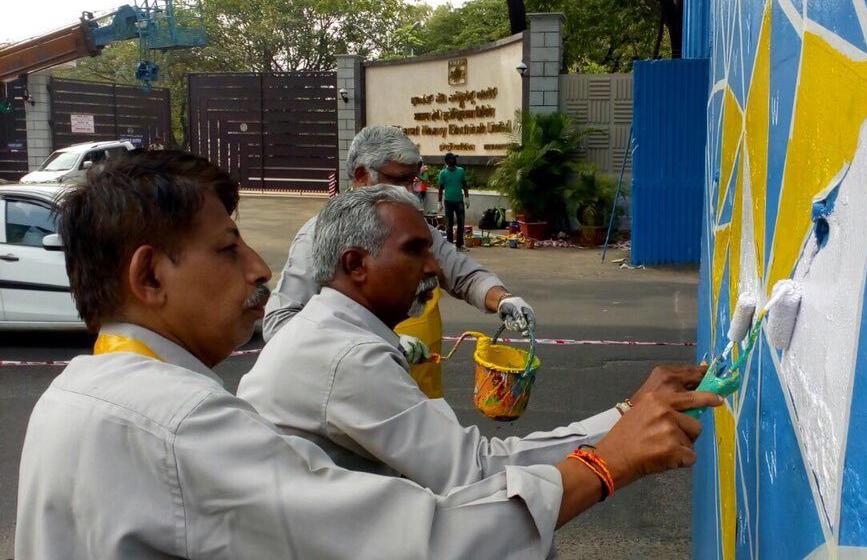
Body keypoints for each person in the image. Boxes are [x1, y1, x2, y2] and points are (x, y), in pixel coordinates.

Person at [15, 149, 722, 559]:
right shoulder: (180, 419)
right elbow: (419, 536)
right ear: (149, 277)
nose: (259, 269)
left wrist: (623, 419)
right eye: (228, 249)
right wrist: (609, 457)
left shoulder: (75, 398)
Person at [238, 184, 718, 493]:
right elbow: (476, 471)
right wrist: (621, 428)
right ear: (355, 265)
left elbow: (462, 270)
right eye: (415, 252)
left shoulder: (331, 329)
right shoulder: (347, 356)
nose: (432, 268)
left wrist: (499, 296)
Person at [262, 126, 534, 382]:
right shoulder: (319, 235)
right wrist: (376, 341)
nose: (409, 190)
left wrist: (503, 299)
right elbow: (280, 323)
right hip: (353, 396)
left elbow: (462, 274)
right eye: (397, 179)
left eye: (411, 180)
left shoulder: (416, 229)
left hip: (418, 390)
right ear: (361, 176)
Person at [437, 151, 470, 252]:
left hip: (459, 201)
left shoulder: (460, 171)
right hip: (448, 201)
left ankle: (459, 245)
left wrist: (467, 198)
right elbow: (440, 188)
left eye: (455, 158)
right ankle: (450, 245)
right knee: (449, 224)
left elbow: (464, 185)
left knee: (461, 223)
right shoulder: (443, 173)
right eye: (452, 158)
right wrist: (439, 202)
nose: (455, 160)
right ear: (447, 161)